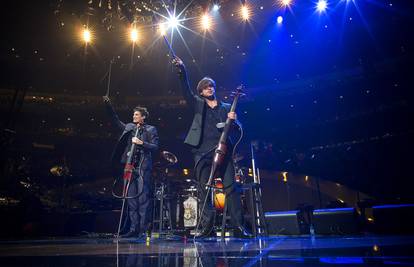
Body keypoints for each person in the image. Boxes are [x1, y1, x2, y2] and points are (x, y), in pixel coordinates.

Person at [172, 57, 253, 238]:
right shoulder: (198, 104)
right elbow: (185, 90)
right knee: (204, 190)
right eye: (206, 86)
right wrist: (182, 70)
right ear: (201, 92)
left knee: (231, 188)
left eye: (212, 86)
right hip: (201, 153)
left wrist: (235, 119)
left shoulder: (225, 108)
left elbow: (238, 129)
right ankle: (206, 228)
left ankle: (239, 227)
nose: (210, 88)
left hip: (223, 152)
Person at [103, 96, 159, 238]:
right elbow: (115, 120)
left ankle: (142, 229)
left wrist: (141, 143)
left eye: (137, 114)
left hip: (143, 167)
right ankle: (133, 229)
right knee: (131, 198)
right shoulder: (129, 127)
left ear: (144, 117)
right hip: (129, 166)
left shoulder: (151, 130)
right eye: (133, 114)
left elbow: (155, 147)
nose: (134, 116)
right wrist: (108, 106)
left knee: (142, 198)